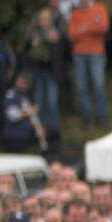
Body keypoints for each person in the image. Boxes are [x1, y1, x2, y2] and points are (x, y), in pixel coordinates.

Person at [68, 0, 110, 130]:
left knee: (99, 85)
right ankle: (88, 118)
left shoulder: (99, 8)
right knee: (82, 87)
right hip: (79, 54)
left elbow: (103, 27)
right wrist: (91, 28)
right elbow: (71, 34)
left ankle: (102, 116)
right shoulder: (75, 13)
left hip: (96, 53)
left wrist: (84, 29)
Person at [22, 8, 65, 141]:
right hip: (38, 72)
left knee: (52, 103)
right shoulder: (34, 34)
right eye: (42, 20)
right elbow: (27, 51)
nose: (44, 22)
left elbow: (62, 53)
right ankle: (40, 134)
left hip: (52, 72)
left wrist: (55, 43)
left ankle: (54, 133)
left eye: (46, 19)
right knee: (39, 103)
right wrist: (33, 43)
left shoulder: (56, 33)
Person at [1, 73, 42, 153]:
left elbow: (33, 117)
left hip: (24, 137)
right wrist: (29, 111)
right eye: (24, 82)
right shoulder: (11, 95)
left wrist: (38, 129)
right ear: (17, 81)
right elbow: (12, 115)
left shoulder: (26, 96)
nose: (25, 85)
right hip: (13, 138)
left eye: (27, 83)